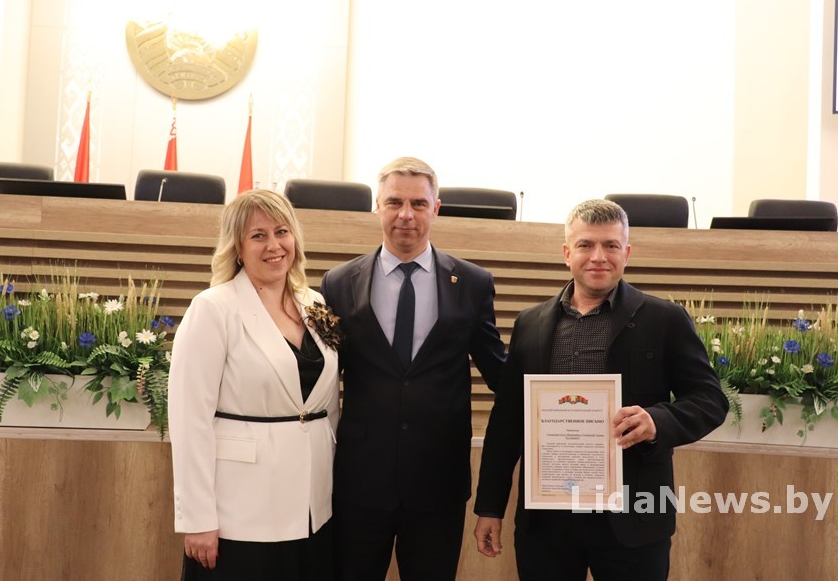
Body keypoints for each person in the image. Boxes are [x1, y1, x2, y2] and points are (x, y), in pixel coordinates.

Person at [473, 198, 728, 580]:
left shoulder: (665, 319)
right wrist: (490, 507)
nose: (598, 257)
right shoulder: (530, 323)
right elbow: (508, 421)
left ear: (626, 253)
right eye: (585, 245)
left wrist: (656, 421)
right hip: (548, 521)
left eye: (610, 245)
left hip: (634, 517)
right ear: (567, 253)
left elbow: (711, 400)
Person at [319, 156, 507, 580]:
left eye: (418, 204)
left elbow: (500, 373)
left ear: (435, 209)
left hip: (438, 484)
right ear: (378, 207)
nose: (406, 214)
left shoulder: (473, 284)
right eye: (394, 202)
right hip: (359, 484)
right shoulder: (338, 283)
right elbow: (321, 375)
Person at [168, 189, 341, 580]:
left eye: (282, 232)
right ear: (238, 248)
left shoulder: (314, 304)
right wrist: (197, 518)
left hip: (312, 507)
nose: (274, 245)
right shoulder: (213, 308)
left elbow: (327, 405)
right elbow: (189, 420)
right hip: (242, 509)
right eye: (258, 235)